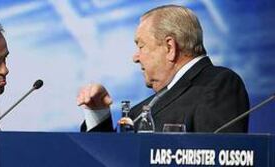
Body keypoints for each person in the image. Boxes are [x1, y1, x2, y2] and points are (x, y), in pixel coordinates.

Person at [76, 5, 249, 133]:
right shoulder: (138, 112)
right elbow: (113, 158)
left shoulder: (217, 84)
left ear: (169, 47)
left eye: (141, 46)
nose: (135, 57)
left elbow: (219, 156)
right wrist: (98, 114)